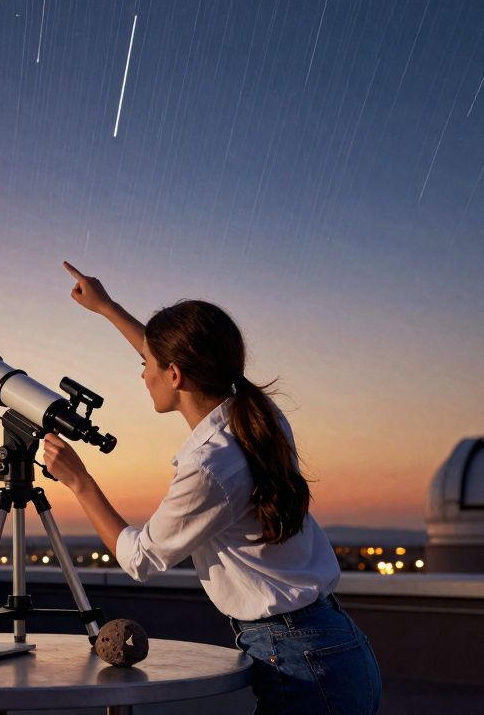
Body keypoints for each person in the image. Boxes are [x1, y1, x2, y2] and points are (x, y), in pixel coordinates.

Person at [43, 261, 382, 715]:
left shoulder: (209, 466)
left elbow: (140, 559)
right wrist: (108, 308)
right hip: (331, 646)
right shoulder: (257, 417)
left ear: (176, 374)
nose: (143, 373)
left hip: (303, 664)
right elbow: (172, 355)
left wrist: (79, 481)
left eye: (147, 365)